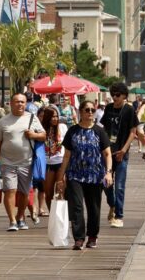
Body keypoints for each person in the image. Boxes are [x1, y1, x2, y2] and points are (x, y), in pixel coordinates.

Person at [57, 98, 112, 250]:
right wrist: (61, 177)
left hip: (95, 175)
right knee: (77, 206)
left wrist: (108, 173)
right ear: (80, 112)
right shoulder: (73, 131)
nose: (90, 113)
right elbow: (66, 156)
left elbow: (107, 154)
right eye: (86, 110)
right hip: (75, 174)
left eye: (92, 110)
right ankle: (79, 238)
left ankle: (92, 236)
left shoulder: (99, 131)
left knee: (94, 207)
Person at [0, 93, 46, 232]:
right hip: (7, 162)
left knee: (24, 193)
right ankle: (12, 221)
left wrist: (34, 135)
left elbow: (43, 136)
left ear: (26, 104)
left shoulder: (32, 118)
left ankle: (20, 217)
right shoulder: (3, 121)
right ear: (11, 103)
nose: (20, 104)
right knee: (10, 190)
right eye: (17, 102)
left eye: (22, 102)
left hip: (27, 162)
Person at [99, 82, 139, 229]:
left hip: (122, 152)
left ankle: (119, 216)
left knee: (120, 186)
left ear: (124, 96)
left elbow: (133, 132)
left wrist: (124, 150)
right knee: (105, 183)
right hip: (107, 152)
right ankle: (113, 205)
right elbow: (104, 129)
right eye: (113, 94)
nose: (114, 97)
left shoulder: (129, 110)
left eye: (117, 95)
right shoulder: (108, 108)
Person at [39, 106, 67, 221]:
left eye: (56, 116)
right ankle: (52, 215)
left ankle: (60, 216)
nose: (55, 119)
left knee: (60, 191)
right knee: (49, 192)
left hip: (60, 162)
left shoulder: (63, 127)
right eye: (52, 117)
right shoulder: (41, 129)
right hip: (47, 163)